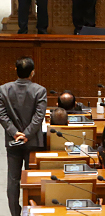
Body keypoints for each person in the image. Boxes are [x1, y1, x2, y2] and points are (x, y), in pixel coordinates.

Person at [0, 57, 47, 216]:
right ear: (32, 73)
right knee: (32, 179)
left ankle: (15, 214)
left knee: (13, 180)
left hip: (13, 142)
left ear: (16, 70)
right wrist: (26, 135)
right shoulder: (40, 90)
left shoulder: (3, 89)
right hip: (33, 141)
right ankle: (31, 211)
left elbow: (2, 114)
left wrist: (14, 132)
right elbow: (39, 116)